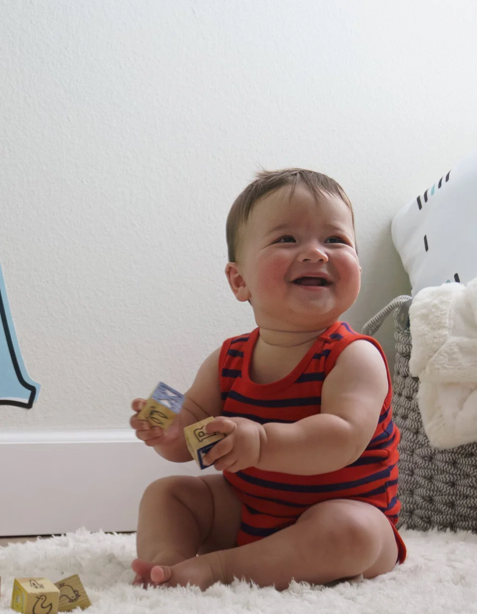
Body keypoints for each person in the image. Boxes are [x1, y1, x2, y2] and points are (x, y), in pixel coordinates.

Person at [129, 168, 405, 591]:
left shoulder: (355, 355)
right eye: (287, 239)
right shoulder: (227, 358)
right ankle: (169, 564)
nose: (316, 253)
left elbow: (343, 437)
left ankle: (223, 569)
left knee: (352, 530)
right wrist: (169, 432)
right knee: (167, 494)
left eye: (335, 239)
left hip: (343, 517)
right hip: (251, 509)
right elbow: (195, 435)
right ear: (240, 281)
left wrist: (261, 442)